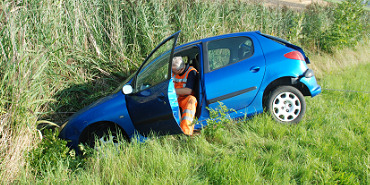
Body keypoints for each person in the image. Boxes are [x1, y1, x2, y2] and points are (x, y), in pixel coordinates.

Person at [172, 56, 198, 135]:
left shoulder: (191, 72)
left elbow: (188, 91)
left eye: (173, 71)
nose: (172, 72)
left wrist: (172, 91)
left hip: (184, 99)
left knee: (192, 100)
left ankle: (186, 132)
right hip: (174, 98)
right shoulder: (174, 71)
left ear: (180, 70)